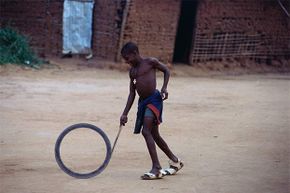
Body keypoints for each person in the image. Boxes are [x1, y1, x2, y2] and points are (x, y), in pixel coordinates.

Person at [119, 42, 183, 180]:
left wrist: (164, 87)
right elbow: (132, 93)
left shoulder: (150, 62)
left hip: (154, 100)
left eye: (127, 58)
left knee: (146, 131)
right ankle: (175, 161)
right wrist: (125, 113)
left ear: (135, 53)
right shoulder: (133, 72)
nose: (126, 61)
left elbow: (166, 70)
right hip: (143, 103)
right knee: (155, 135)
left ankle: (156, 168)